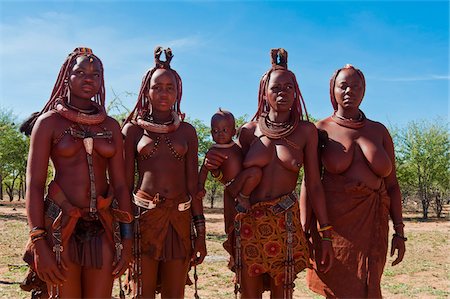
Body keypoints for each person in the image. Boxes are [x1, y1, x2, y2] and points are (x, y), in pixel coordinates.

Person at [204, 48, 334, 299]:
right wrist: (215, 171)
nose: (282, 93)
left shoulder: (306, 132)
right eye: (276, 88)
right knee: (249, 294)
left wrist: (325, 234)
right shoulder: (248, 132)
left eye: (288, 88)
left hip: (284, 223)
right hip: (249, 223)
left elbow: (314, 184)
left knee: (282, 294)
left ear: (296, 93)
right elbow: (233, 182)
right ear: (265, 93)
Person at [19, 47, 133, 298]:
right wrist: (39, 242)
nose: (89, 78)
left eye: (96, 73)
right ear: (66, 77)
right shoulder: (48, 123)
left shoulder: (111, 126)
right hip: (60, 227)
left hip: (102, 227)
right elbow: (35, 184)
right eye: (80, 72)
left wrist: (127, 240)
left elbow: (121, 186)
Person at [303, 64, 406, 298]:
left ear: (364, 91)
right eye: (344, 86)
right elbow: (310, 184)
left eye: (356, 86)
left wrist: (399, 231)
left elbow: (392, 185)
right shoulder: (320, 130)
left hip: (373, 228)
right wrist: (305, 228)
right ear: (333, 90)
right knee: (336, 290)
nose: (350, 91)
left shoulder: (379, 132)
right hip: (333, 229)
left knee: (368, 287)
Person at [122, 46, 206, 299]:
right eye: (157, 87)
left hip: (178, 222)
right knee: (142, 292)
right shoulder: (132, 130)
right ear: (146, 91)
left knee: (175, 292)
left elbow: (193, 186)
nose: (163, 93)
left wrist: (199, 233)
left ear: (178, 92)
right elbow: (124, 184)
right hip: (143, 219)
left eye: (170, 88)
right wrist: (123, 234)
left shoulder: (188, 132)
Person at [197, 108, 262, 234]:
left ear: (233, 131)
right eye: (216, 131)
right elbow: (204, 170)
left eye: (225, 130)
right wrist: (200, 186)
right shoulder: (213, 151)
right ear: (211, 133)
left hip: (242, 184)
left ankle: (244, 196)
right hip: (230, 187)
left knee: (255, 172)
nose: (220, 133)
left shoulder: (237, 147)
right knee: (230, 222)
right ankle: (231, 245)